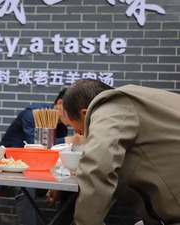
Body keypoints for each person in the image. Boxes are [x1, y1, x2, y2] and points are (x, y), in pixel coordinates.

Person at [62, 78, 180, 225]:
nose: (82, 136)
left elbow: (98, 167)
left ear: (86, 114)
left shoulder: (112, 106)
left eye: (80, 130)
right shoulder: (143, 100)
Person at [0, 89, 84, 225]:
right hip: (7, 173)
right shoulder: (32, 113)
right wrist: (70, 140)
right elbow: (36, 145)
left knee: (72, 189)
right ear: (60, 103)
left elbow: (55, 158)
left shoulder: (62, 128)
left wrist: (58, 184)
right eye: (72, 110)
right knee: (26, 186)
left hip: (38, 174)